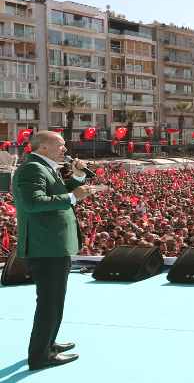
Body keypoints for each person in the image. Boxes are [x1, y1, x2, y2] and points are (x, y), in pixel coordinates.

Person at [13, 130, 99, 370]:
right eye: (60, 145)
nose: (65, 149)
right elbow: (33, 203)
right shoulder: (33, 169)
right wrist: (72, 197)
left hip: (52, 246)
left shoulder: (46, 167)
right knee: (49, 303)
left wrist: (79, 177)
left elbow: (56, 192)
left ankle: (49, 343)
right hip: (45, 247)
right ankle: (40, 355)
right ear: (42, 148)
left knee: (55, 301)